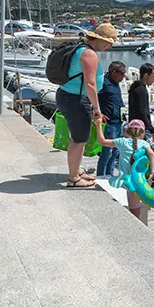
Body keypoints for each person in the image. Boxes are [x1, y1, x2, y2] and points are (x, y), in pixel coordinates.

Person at [54, 23, 119, 188]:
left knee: (76, 138)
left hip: (69, 96)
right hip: (76, 99)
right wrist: (97, 108)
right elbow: (90, 84)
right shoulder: (89, 54)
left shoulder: (81, 49)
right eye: (110, 42)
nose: (110, 46)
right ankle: (73, 178)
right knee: (80, 139)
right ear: (100, 40)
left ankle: (75, 171)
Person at [93, 116, 154, 221]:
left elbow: (102, 141)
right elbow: (152, 155)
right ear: (142, 133)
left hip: (127, 180)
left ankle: (135, 227)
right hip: (141, 180)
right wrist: (152, 171)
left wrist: (98, 125)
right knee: (137, 206)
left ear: (127, 131)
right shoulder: (145, 144)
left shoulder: (122, 142)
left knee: (133, 208)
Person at [96, 60, 128, 178]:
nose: (124, 76)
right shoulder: (104, 83)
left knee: (116, 151)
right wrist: (98, 112)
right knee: (107, 152)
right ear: (113, 72)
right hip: (109, 123)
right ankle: (100, 175)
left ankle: (109, 174)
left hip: (119, 121)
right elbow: (91, 96)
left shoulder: (116, 83)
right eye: (122, 73)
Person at [128, 62, 154, 144]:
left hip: (134, 126)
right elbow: (142, 113)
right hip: (141, 129)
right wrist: (153, 131)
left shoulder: (135, 87)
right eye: (153, 77)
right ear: (145, 76)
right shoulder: (141, 91)